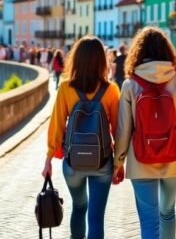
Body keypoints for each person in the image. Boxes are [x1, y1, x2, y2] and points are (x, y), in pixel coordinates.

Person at [113, 27, 176, 239]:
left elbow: (123, 130)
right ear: (167, 51)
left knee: (149, 221)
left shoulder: (130, 85)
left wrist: (118, 162)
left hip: (141, 159)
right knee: (167, 213)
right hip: (173, 156)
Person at [42, 36, 120, 239]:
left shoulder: (66, 88)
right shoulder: (111, 90)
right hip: (102, 162)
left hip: (73, 162)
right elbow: (118, 130)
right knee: (96, 218)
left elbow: (56, 125)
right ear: (102, 61)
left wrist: (49, 159)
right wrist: (119, 163)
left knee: (79, 207)